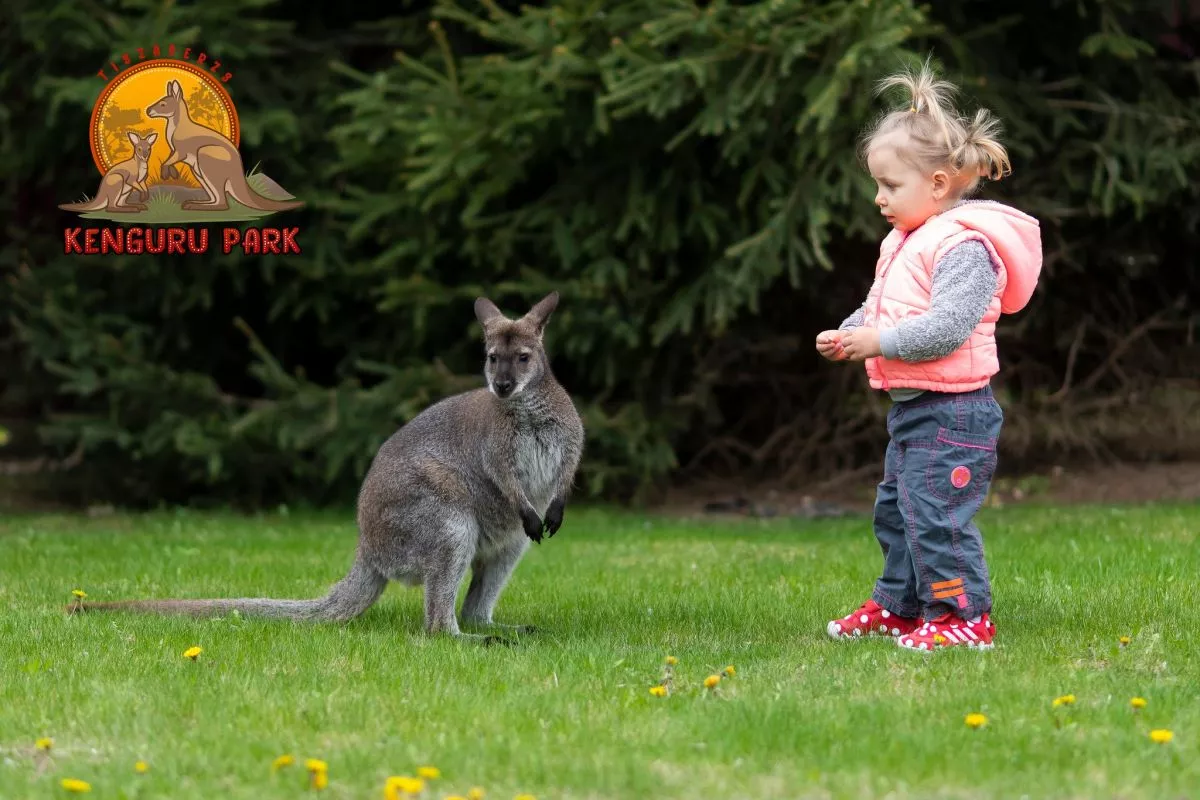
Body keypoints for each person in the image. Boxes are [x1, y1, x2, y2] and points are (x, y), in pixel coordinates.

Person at [817, 62, 1043, 651]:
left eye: (891, 186)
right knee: (897, 512)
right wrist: (850, 332)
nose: (878, 198)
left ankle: (962, 615)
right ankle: (900, 605)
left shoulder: (965, 248)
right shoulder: (904, 242)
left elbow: (944, 330)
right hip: (916, 410)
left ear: (938, 184)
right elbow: (881, 309)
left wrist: (879, 343)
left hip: (956, 414)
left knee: (937, 517)